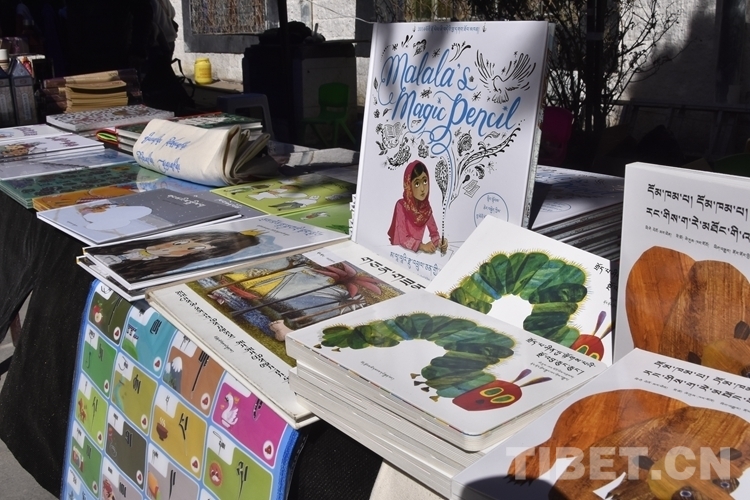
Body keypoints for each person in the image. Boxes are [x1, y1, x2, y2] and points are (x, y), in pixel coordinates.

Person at [86, 230, 262, 282]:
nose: (170, 248)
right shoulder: (119, 245)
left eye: (194, 249)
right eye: (180, 242)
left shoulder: (144, 271)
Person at [387, 159, 448, 254]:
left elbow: (434, 233)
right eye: (417, 183)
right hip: (398, 252)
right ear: (408, 185)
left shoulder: (426, 208)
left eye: (425, 181)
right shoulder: (401, 206)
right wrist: (422, 246)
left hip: (415, 255)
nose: (422, 188)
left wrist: (440, 243)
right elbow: (403, 238)